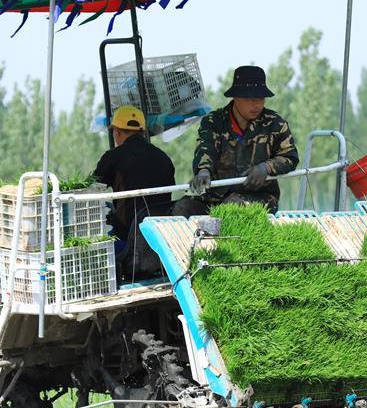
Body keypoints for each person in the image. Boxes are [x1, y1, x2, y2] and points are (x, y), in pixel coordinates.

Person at [172, 65, 299, 216]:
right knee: (182, 208)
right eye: (249, 99)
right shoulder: (213, 121)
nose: (256, 104)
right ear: (236, 97)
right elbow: (206, 150)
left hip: (259, 197)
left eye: (260, 98)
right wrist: (203, 171)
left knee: (232, 207)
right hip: (213, 197)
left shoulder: (275, 124)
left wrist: (266, 167)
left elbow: (290, 156)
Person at [93, 105, 175, 280]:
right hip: (159, 236)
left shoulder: (113, 157)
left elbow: (90, 188)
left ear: (117, 132)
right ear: (142, 131)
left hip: (128, 239)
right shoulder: (164, 158)